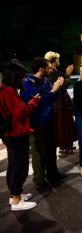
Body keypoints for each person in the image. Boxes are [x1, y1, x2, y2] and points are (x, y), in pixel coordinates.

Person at [21, 57, 65, 191]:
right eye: (48, 67)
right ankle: (39, 181)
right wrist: (53, 90)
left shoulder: (45, 81)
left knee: (51, 149)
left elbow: (53, 98)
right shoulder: (28, 83)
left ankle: (53, 174)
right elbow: (38, 103)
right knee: (38, 153)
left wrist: (58, 88)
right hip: (36, 123)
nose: (51, 69)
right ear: (41, 69)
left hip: (49, 120)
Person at [0, 62, 40, 211]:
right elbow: (20, 113)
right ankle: (16, 200)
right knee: (19, 167)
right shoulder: (9, 91)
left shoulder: (3, 90)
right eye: (22, 77)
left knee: (13, 165)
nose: (24, 80)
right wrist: (34, 102)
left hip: (9, 134)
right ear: (15, 76)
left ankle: (14, 195)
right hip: (16, 134)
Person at [44, 51, 77, 156]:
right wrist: (68, 74)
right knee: (63, 125)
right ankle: (64, 146)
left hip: (61, 102)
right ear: (54, 61)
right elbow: (61, 85)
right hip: (59, 104)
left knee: (65, 125)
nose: (57, 61)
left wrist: (66, 75)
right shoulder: (52, 72)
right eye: (56, 60)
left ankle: (67, 145)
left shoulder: (53, 71)